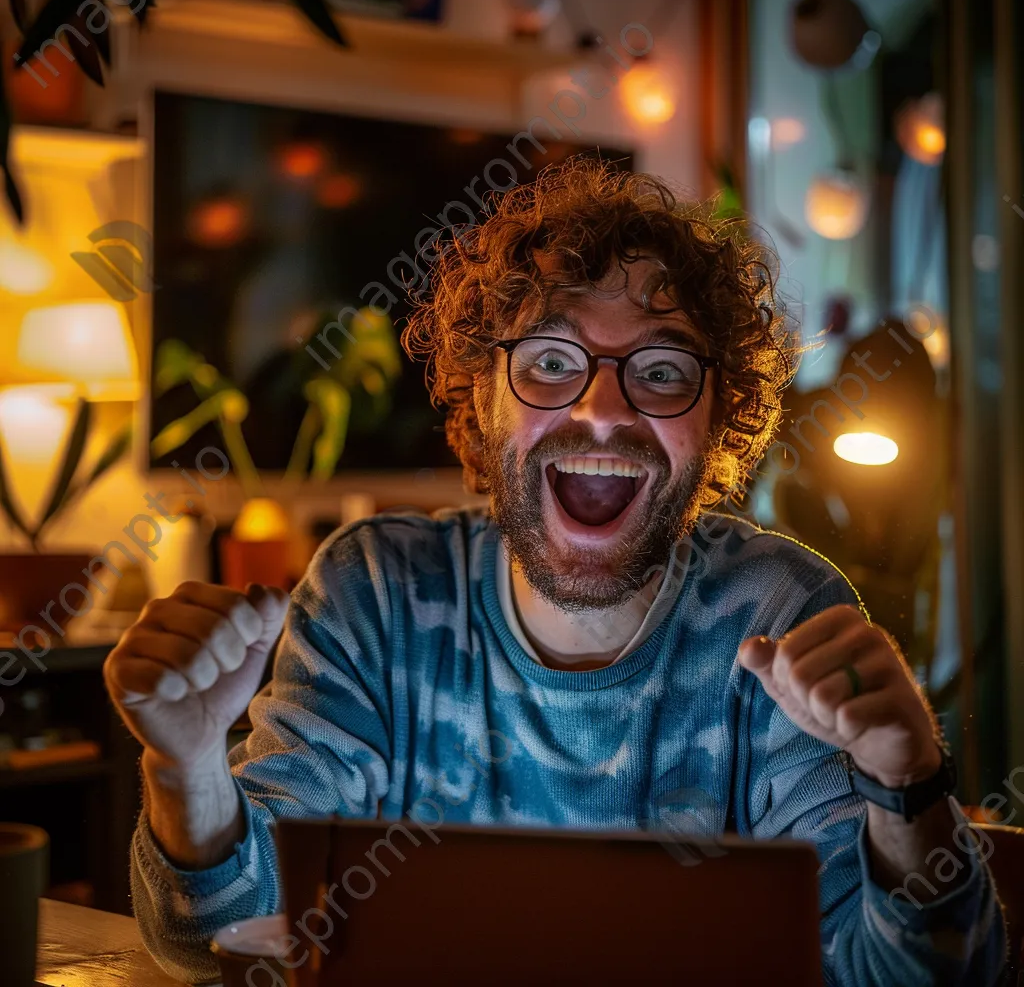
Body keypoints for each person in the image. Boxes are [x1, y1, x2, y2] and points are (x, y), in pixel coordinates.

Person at [106, 160, 1006, 985]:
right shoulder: (374, 594)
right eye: (548, 361)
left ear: (718, 420)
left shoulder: (779, 611)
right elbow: (216, 943)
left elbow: (912, 980)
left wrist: (912, 789)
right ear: (481, 398)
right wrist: (186, 767)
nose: (601, 409)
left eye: (660, 370)